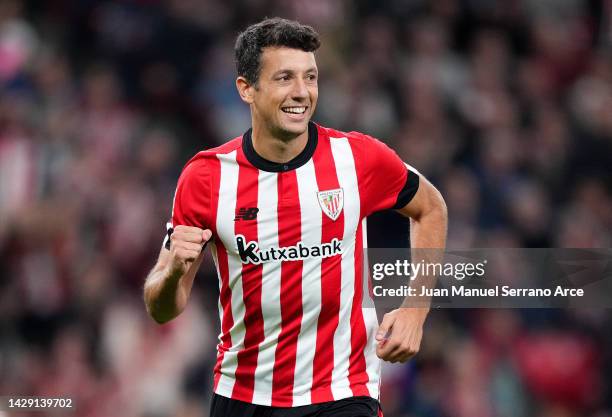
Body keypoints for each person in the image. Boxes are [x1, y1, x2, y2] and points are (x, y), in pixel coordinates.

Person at [144, 17, 447, 417]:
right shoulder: (206, 178)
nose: (302, 92)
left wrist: (415, 309)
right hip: (245, 396)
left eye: (311, 77)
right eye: (285, 78)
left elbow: (431, 208)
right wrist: (170, 275)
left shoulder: (357, 159)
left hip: (343, 391)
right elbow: (162, 308)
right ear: (246, 89)